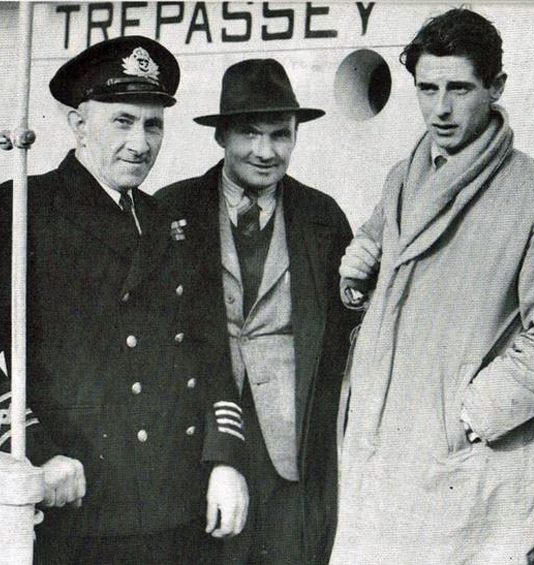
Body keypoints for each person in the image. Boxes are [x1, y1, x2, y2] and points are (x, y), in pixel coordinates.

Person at [0, 36, 248, 564]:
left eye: (153, 125)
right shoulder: (18, 210)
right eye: (122, 121)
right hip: (77, 504)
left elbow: (209, 352)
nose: (140, 143)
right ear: (79, 124)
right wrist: (35, 454)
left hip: (180, 505)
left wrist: (225, 459)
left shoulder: (169, 222)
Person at [330, 8, 534, 564]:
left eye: (459, 88)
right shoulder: (403, 177)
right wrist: (358, 275)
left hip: (465, 469)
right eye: (427, 89)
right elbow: (382, 265)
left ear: (496, 87)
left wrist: (463, 418)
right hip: (382, 457)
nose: (440, 109)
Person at [156, 58, 358, 564]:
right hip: (195, 443)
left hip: (289, 455)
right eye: (249, 133)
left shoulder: (323, 218)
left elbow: (346, 337)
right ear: (221, 136)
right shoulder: (171, 208)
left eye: (280, 134)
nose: (266, 152)